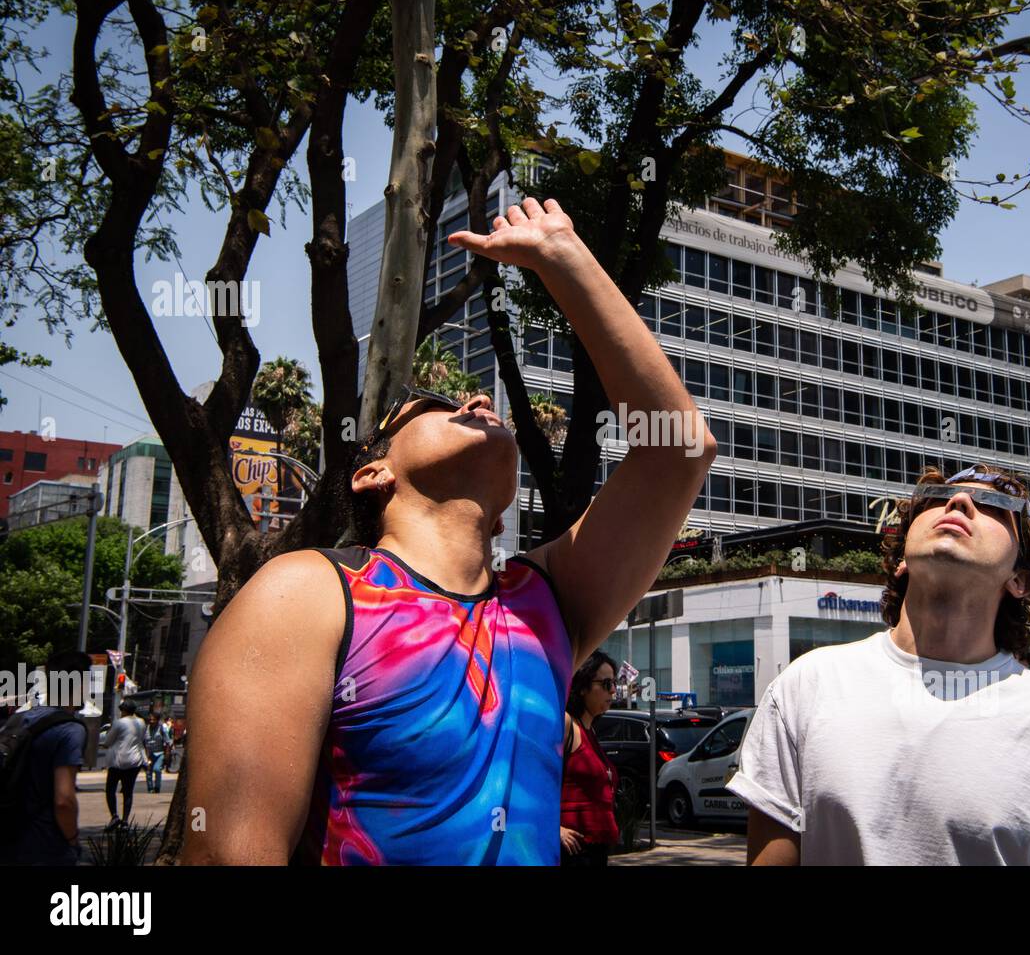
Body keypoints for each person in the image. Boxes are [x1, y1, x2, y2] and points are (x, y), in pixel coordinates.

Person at [181, 197, 715, 865]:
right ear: (372, 473)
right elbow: (230, 855)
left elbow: (677, 450)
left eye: (475, 398)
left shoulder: (545, 601)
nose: (478, 399)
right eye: (435, 404)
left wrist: (565, 258)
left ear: (500, 512)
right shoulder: (308, 594)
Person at [727, 464, 1030, 865]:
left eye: (994, 506)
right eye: (938, 498)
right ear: (903, 558)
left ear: (1019, 580)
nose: (959, 501)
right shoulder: (805, 687)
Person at [0, 650, 91, 865]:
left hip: (8, 838)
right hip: (46, 847)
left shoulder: (20, 719)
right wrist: (72, 839)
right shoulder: (70, 729)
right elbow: (64, 800)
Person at [560, 651, 621, 867]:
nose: (613, 691)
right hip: (573, 851)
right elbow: (532, 781)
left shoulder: (590, 731)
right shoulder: (566, 724)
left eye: (614, 683)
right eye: (606, 684)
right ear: (583, 686)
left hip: (596, 850)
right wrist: (555, 829)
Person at [103, 701, 147, 830]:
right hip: (135, 760)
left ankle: (114, 816)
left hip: (118, 761)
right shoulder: (141, 723)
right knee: (128, 791)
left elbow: (107, 741)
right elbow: (141, 740)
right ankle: (125, 820)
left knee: (110, 789)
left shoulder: (120, 723)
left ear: (124, 710)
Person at [143, 711, 172, 793]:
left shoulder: (162, 728)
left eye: (153, 720)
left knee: (157, 769)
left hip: (159, 753)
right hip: (149, 753)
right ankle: (150, 788)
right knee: (148, 771)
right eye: (150, 719)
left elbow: (168, 742)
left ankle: (157, 787)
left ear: (157, 720)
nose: (151, 721)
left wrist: (167, 754)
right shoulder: (146, 728)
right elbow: (143, 742)